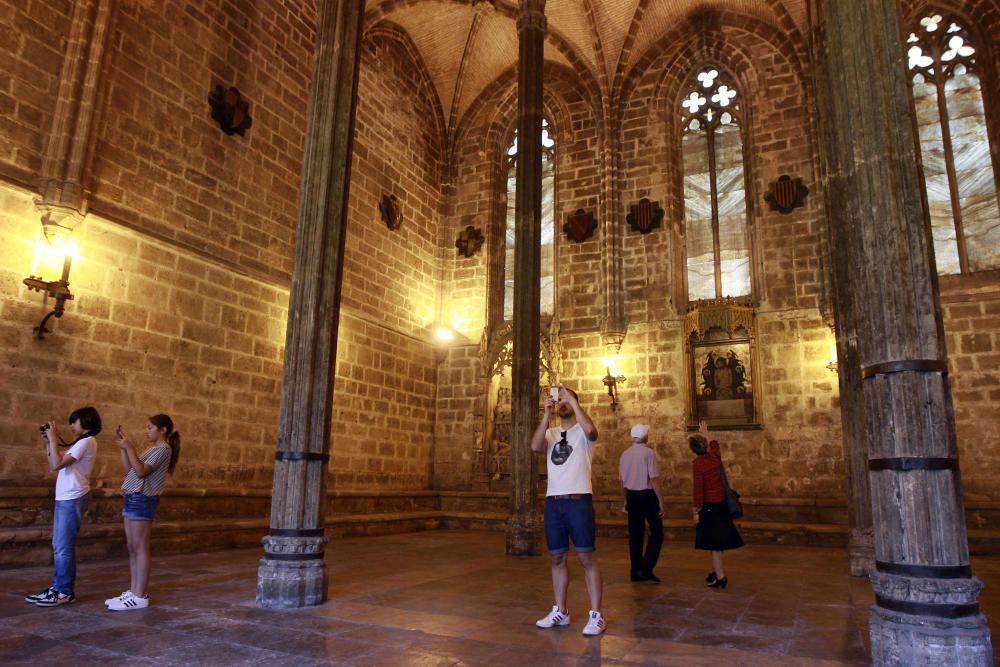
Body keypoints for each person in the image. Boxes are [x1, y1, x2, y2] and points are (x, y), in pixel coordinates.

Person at [530, 385, 606, 636]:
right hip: (554, 502)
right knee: (557, 558)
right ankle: (560, 611)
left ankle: (596, 615)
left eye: (564, 399)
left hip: (578, 500)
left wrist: (574, 403)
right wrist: (545, 414)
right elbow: (535, 447)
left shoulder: (582, 432)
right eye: (558, 399)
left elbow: (593, 432)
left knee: (586, 558)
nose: (560, 402)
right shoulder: (551, 432)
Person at [24, 406, 102, 607]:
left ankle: (64, 592)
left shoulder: (86, 441)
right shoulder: (82, 442)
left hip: (73, 497)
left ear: (86, 421)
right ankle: (57, 588)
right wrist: (49, 442)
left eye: (74, 421)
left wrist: (53, 440)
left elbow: (56, 465)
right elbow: (54, 463)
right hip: (67, 497)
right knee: (60, 546)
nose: (71, 425)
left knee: (63, 548)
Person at [105, 414, 181, 611]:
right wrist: (123, 447)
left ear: (162, 430)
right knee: (132, 546)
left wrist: (130, 447)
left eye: (149, 428)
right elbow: (130, 469)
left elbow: (141, 472)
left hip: (142, 498)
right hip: (132, 497)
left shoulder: (163, 449)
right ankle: (133, 591)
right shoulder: (153, 449)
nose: (147, 431)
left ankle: (140, 595)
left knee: (140, 547)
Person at [691, 419, 743, 589]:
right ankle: (715, 571)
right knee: (715, 542)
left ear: (693, 450)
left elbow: (698, 490)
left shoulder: (698, 464)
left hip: (709, 507)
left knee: (714, 545)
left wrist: (696, 511)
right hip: (721, 504)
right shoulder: (715, 457)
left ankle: (721, 577)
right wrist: (706, 431)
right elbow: (714, 444)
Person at [618, 423, 664, 582]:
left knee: (635, 535)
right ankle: (646, 568)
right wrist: (661, 501)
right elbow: (654, 478)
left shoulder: (625, 454)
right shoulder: (648, 453)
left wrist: (625, 500)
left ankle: (635, 570)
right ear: (646, 436)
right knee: (657, 533)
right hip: (647, 496)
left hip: (632, 496)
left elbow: (621, 481)